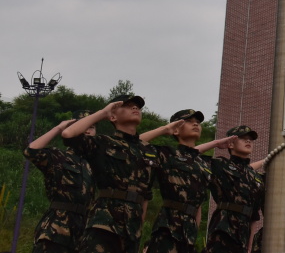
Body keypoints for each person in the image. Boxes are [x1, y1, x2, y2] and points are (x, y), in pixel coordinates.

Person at [61, 94, 159, 253]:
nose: (135, 108)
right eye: (127, 106)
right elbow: (68, 134)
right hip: (104, 223)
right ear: (112, 116)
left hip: (132, 229)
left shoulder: (148, 150)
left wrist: (139, 228)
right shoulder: (103, 143)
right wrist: (103, 113)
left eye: (137, 106)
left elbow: (146, 195)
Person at [142, 109, 234, 253]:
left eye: (197, 122)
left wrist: (215, 143)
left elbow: (198, 206)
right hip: (167, 228)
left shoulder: (203, 163)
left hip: (189, 232)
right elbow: (134, 144)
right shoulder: (167, 154)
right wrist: (165, 129)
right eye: (189, 121)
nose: (195, 124)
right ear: (176, 130)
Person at [23, 111, 95, 253]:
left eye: (92, 127)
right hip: (55, 229)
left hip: (82, 232)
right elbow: (31, 151)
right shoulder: (59, 156)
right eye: (82, 125)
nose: (87, 130)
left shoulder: (94, 163)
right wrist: (59, 128)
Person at [204, 125, 265, 253]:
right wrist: (216, 143)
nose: (248, 141)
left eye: (250, 139)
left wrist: (249, 246)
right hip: (222, 231)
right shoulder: (220, 165)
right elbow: (188, 156)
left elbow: (254, 215)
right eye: (243, 138)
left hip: (243, 235)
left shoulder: (255, 177)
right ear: (230, 144)